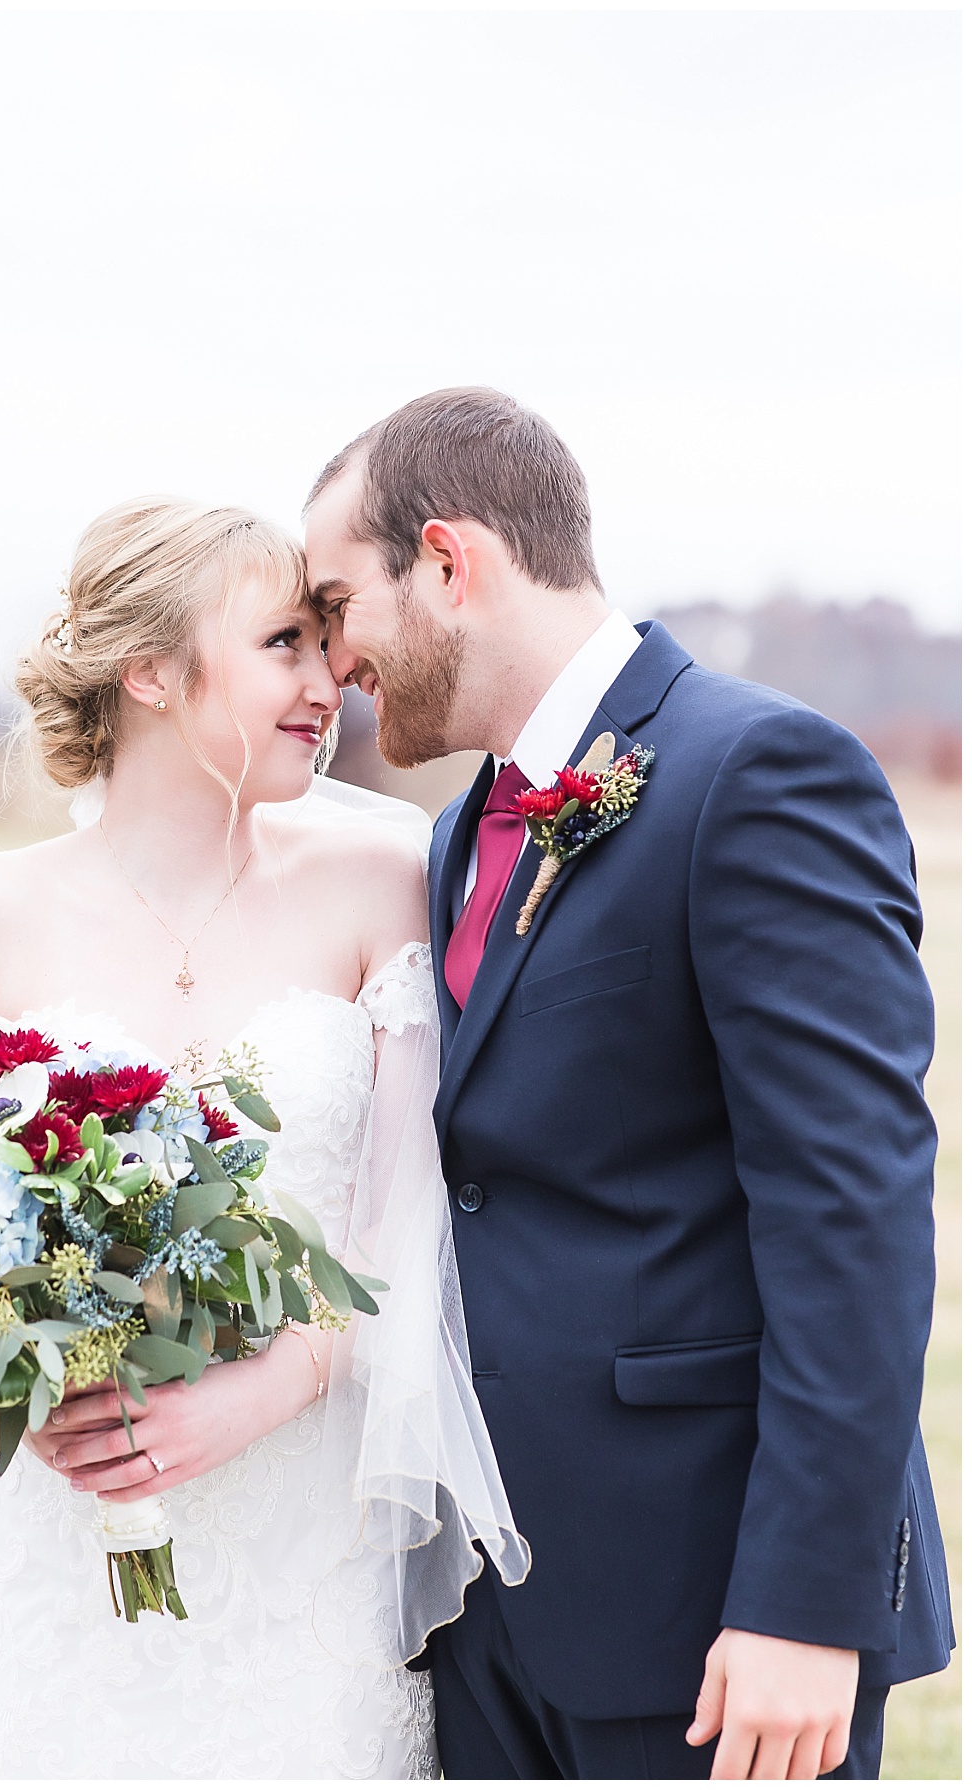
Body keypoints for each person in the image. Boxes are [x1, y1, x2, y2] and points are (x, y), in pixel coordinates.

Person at [304, 387, 954, 1781]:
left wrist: (804, 1604)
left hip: (715, 1626)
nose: (332, 654)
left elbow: (855, 1217)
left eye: (341, 601)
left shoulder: (759, 773)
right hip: (486, 1620)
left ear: (448, 562)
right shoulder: (458, 832)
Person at [0, 496, 528, 1779]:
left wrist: (269, 1383)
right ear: (152, 671)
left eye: (325, 642)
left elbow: (408, 1229)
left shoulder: (378, 876)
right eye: (283, 642)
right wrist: (37, 1376)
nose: (331, 678)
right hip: (65, 1559)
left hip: (308, 1566)